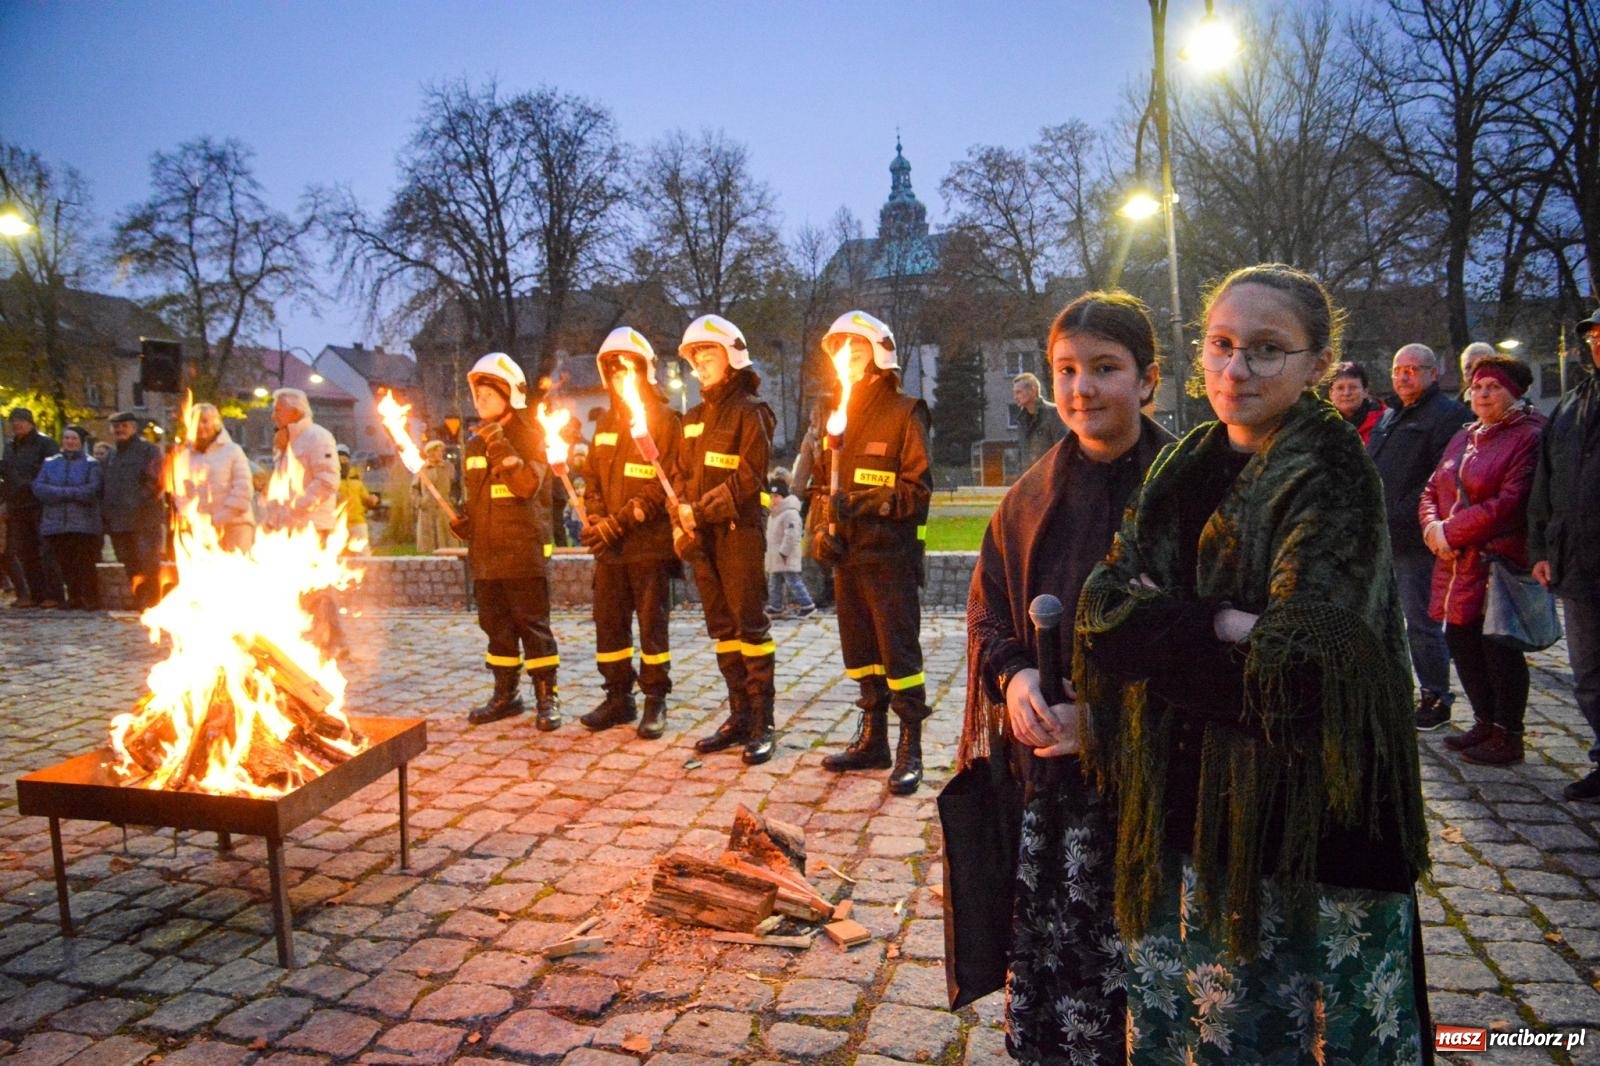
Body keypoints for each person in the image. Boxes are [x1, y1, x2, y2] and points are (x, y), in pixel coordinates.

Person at [1076, 264, 1431, 1062]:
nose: (1235, 370)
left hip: (1301, 826)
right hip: (1183, 805)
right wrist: (1226, 623)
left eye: (1266, 350)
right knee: (1191, 1027)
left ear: (1317, 363)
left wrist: (1162, 623)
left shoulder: (1332, 473)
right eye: (1222, 345)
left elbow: (1297, 679)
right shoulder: (1186, 460)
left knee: (1282, 1029)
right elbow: (1100, 610)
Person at [961, 291, 1172, 1063]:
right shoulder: (1028, 499)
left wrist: (1112, 721)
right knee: (1061, 978)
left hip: (1155, 793)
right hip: (1049, 794)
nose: (1082, 389)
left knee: (1148, 984)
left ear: (1148, 380)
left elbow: (1211, 644)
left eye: (1105, 369)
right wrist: (1014, 678)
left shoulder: (1188, 493)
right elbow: (987, 612)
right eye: (1067, 371)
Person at [810, 310, 932, 794]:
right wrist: (822, 528)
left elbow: (916, 493)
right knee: (860, 654)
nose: (847, 357)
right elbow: (823, 485)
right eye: (840, 350)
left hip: (889, 559)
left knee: (898, 653)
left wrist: (861, 503)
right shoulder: (834, 417)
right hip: (849, 560)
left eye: (856, 348)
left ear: (880, 353)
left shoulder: (907, 411)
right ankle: (873, 740)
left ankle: (910, 746)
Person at [1418, 356, 1545, 766]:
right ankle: (1484, 721)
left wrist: (1450, 532)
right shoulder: (1465, 436)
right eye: (1478, 387)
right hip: (1456, 564)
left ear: (1514, 393)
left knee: (1499, 648)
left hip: (1494, 563)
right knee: (1462, 641)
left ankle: (1509, 733)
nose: (1484, 394)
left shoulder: (1527, 436)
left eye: (1494, 387)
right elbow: (1431, 489)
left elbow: (1510, 502)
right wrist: (1432, 529)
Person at [675, 313, 779, 765]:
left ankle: (762, 722)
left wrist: (697, 511)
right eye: (695, 353)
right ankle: (738, 715)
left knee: (749, 627)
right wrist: (679, 515)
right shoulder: (693, 417)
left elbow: (747, 479)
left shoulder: (752, 412)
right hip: (703, 540)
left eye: (708, 351)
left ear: (731, 356)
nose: (700, 360)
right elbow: (677, 476)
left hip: (739, 534)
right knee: (722, 630)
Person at [577, 326, 682, 740]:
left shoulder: (665, 419)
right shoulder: (605, 423)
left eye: (628, 371)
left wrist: (620, 522)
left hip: (647, 545)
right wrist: (597, 516)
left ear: (644, 371)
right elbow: (592, 479)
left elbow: (664, 481)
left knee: (651, 624)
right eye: (614, 372)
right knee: (609, 622)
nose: (622, 380)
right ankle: (618, 695)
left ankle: (655, 698)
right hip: (610, 550)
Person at [451, 352, 562, 730]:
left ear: (509, 394)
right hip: (486, 554)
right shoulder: (474, 443)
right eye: (476, 395)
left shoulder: (530, 436)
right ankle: (506, 695)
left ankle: (547, 697)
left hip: (522, 550)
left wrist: (499, 442)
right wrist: (468, 520)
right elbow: (480, 495)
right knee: (495, 628)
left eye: (486, 394)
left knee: (532, 625)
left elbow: (525, 486)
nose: (478, 401)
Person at [1368, 343, 1471, 730]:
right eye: (1399, 369)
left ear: (1433, 373)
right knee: (1386, 619)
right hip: (1383, 536)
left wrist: (1396, 511)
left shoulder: (1448, 416)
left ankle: (1436, 695)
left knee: (1421, 622)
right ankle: (1395, 689)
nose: (1405, 375)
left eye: (1414, 368)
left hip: (1415, 539)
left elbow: (1442, 479)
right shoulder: (1390, 414)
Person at [1531, 308, 1600, 801]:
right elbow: (1546, 481)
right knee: (1590, 672)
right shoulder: (1573, 404)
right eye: (1595, 336)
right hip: (1577, 561)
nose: (1598, 343)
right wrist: (1541, 546)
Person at [263, 388, 344, 654]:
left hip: (313, 526)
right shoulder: (286, 440)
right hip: (288, 527)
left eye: (277, 409)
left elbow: (327, 481)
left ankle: (334, 641)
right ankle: (310, 639)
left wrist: (296, 508)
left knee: (318, 584)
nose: (273, 414)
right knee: (297, 585)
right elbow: (282, 484)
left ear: (294, 411)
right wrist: (272, 517)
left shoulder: (317, 437)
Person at [32, 425, 104, 610]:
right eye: (66, 438)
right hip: (56, 523)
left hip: (83, 524)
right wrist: (69, 493)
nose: (70, 442)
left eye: (74, 439)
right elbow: (39, 487)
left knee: (84, 563)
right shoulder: (50, 462)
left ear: (81, 442)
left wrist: (61, 493)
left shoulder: (91, 464)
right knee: (65, 564)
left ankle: (89, 597)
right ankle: (73, 597)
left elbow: (92, 490)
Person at [101, 411, 167, 609]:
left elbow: (157, 482)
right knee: (129, 563)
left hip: (144, 520)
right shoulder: (112, 454)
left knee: (148, 563)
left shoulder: (149, 451)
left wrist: (137, 501)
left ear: (133, 427)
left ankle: (153, 602)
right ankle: (139, 599)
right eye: (116, 426)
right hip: (119, 521)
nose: (119, 429)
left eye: (124, 426)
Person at [169, 403, 255, 552]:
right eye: (196, 422)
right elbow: (180, 494)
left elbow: (243, 489)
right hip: (201, 531)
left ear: (215, 423)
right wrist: (194, 519)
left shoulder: (233, 451)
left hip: (235, 526)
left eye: (205, 421)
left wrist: (220, 518)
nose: (200, 426)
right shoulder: (184, 457)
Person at [0, 407, 61, 607]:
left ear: (31, 422)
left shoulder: (46, 444)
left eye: (21, 420)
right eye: (13, 421)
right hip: (17, 506)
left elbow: (52, 471)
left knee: (46, 551)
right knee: (26, 552)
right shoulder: (10, 447)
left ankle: (53, 595)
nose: (17, 424)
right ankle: (35, 594)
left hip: (39, 503)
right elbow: (7, 473)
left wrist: (30, 486)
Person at [764, 480, 814, 620]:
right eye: (772, 496)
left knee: (793, 582)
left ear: (784, 497)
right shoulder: (774, 514)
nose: (774, 499)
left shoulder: (790, 513)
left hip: (785, 556)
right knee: (774, 582)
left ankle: (807, 604)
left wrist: (784, 552)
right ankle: (776, 606)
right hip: (776, 557)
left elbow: (792, 535)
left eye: (777, 496)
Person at [1013, 371, 1065, 472]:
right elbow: (1022, 454)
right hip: (1030, 480)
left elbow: (1064, 449)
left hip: (1051, 478)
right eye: (1014, 393)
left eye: (1019, 392)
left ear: (1033, 391)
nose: (1015, 397)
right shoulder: (1021, 420)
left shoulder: (1054, 413)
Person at [413, 440, 456, 553]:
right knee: (429, 540)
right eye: (437, 451)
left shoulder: (448, 467)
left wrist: (453, 500)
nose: (440, 453)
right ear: (430, 453)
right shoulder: (421, 469)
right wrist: (420, 502)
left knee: (446, 539)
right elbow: (414, 489)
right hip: (427, 509)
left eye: (441, 451)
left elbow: (456, 485)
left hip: (445, 508)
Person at [336, 444, 380, 553]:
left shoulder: (356, 481)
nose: (342, 462)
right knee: (338, 555)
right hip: (337, 524)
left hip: (358, 522)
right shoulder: (330, 481)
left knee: (363, 554)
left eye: (345, 459)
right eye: (339, 459)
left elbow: (365, 499)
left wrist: (372, 500)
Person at [1328, 360, 1384, 442]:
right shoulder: (1320, 425)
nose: (1346, 393)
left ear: (1365, 392)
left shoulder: (1385, 423)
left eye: (1353, 387)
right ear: (1330, 394)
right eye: (1340, 388)